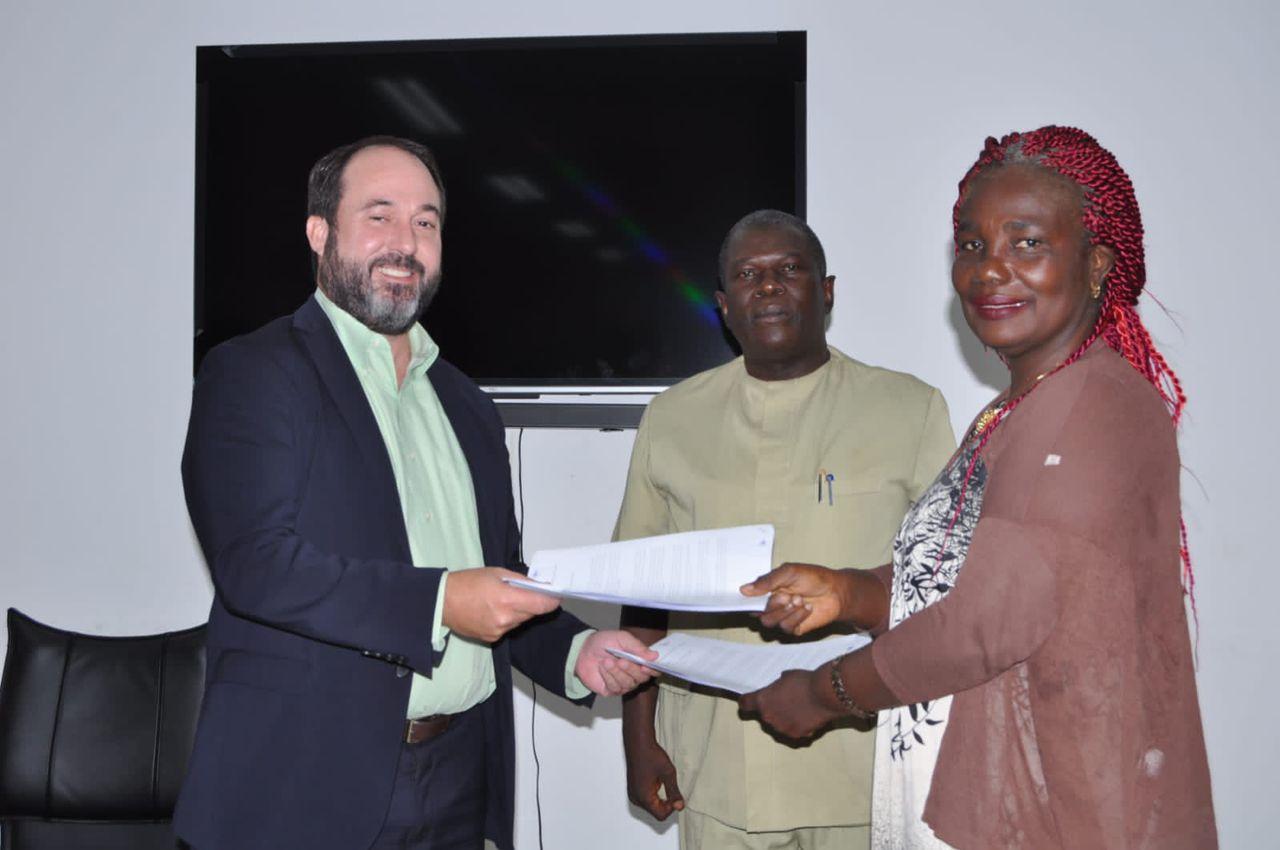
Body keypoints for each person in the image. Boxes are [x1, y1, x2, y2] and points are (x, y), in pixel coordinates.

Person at [739, 127, 1216, 848]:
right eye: (972, 244)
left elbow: (987, 623)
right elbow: (967, 576)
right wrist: (849, 591)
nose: (990, 269)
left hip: (1061, 809)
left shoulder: (1089, 408)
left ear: (1096, 265)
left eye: (1027, 243)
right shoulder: (1019, 407)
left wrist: (822, 692)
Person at [175, 135, 655, 850]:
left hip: (460, 778)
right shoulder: (253, 372)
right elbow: (256, 566)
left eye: (425, 222)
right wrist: (441, 601)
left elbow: (496, 579)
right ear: (319, 233)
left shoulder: (468, 406)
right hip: (306, 788)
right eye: (380, 216)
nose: (405, 242)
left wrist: (577, 650)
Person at [614, 210, 956, 849]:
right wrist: (638, 739)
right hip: (718, 764)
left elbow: (945, 586)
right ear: (723, 306)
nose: (769, 286)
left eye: (789, 269)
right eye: (748, 275)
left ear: (827, 292)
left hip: (861, 759)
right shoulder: (672, 419)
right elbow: (640, 595)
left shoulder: (910, 409)